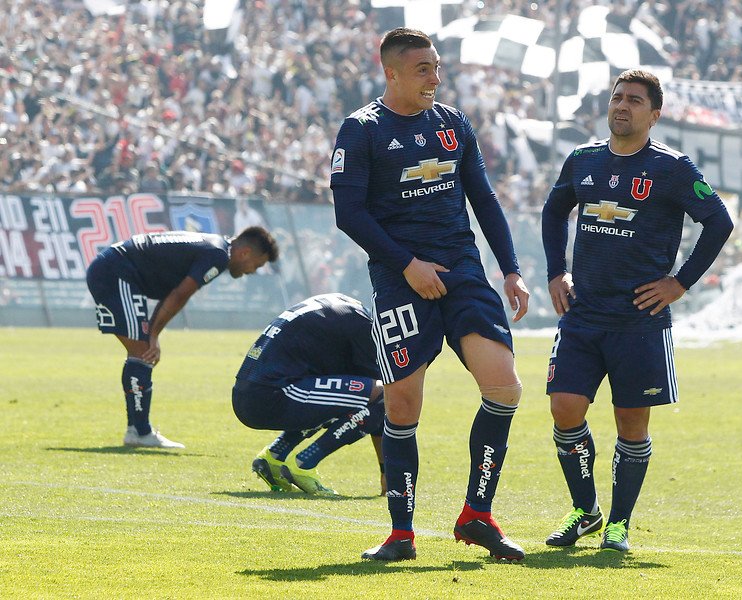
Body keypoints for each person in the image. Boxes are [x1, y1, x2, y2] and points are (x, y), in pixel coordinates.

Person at [331, 28, 531, 562]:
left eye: (437, 68)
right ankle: (401, 535)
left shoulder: (453, 123)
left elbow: (484, 199)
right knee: (402, 404)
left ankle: (477, 515)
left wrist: (510, 270)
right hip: (401, 281)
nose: (435, 79)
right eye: (423, 69)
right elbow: (348, 214)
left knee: (505, 388)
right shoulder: (361, 130)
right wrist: (407, 264)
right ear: (391, 72)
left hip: (463, 272)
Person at [541, 70, 734, 552]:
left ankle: (619, 524)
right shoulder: (583, 160)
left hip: (639, 321)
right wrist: (554, 271)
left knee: (632, 422)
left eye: (634, 101)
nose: (622, 106)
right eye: (616, 98)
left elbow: (719, 222)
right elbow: (553, 210)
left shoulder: (672, 168)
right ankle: (585, 510)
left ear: (654, 114)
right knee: (564, 408)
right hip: (583, 314)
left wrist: (680, 282)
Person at [85, 227, 279, 448]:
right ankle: (139, 432)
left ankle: (138, 430)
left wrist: (152, 334)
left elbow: (174, 294)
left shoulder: (215, 246)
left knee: (141, 353)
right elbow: (180, 295)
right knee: (142, 353)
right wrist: (153, 336)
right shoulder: (218, 255)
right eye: (257, 264)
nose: (253, 271)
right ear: (244, 253)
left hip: (115, 270)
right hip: (116, 272)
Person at [232, 293, 386, 495]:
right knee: (384, 394)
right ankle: (304, 463)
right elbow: (381, 401)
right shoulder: (363, 324)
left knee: (338, 396)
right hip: (273, 395)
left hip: (246, 394)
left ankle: (274, 457)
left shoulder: (340, 307)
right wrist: (387, 472)